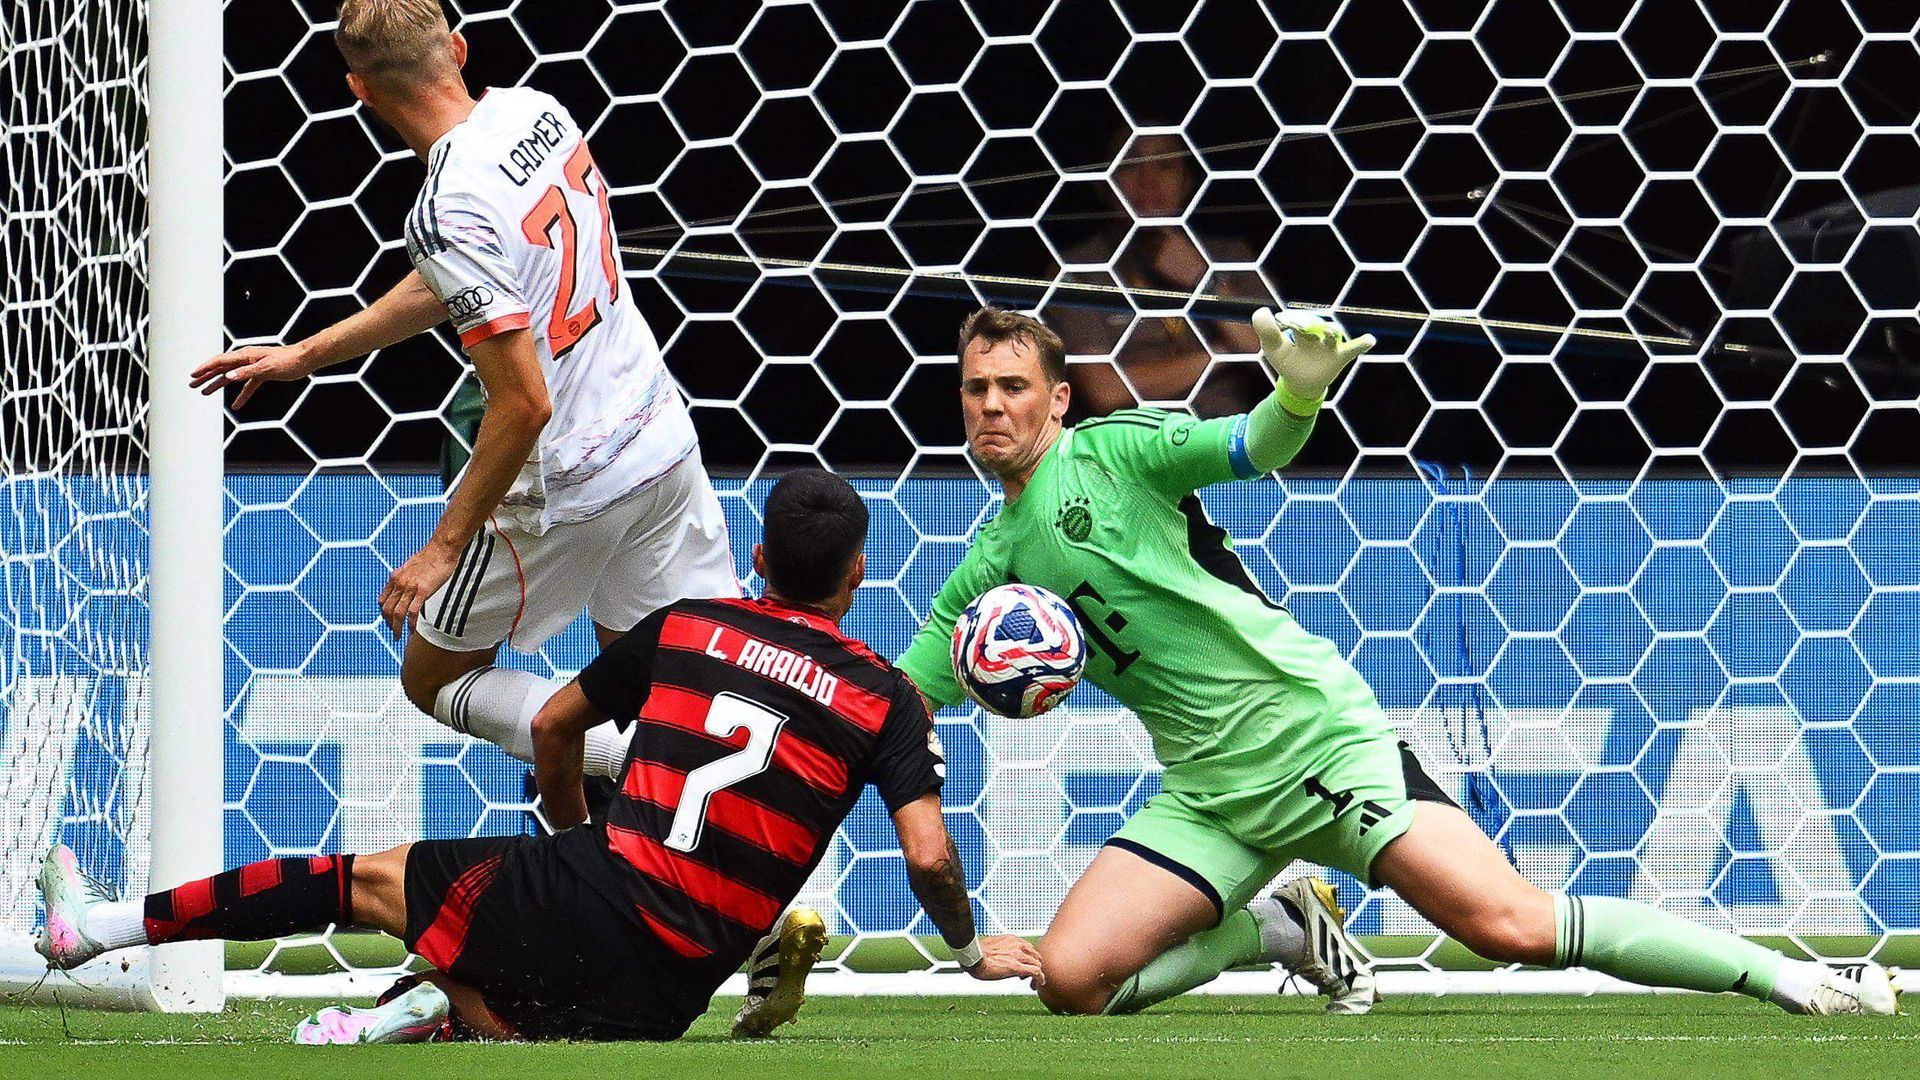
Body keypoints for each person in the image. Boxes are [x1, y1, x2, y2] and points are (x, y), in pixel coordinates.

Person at [894, 306, 1900, 1019]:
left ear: (1058, 398)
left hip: (1318, 743)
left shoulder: (1116, 452)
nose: (992, 406)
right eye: (976, 388)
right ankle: (1282, 929)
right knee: (1072, 982)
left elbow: (1252, 446)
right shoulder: (985, 575)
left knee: (1507, 924)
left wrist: (1297, 392)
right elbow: (894, 703)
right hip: (1208, 794)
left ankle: (1793, 979)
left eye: (1013, 386)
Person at [38, 470, 1043, 1042]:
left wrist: (574, 843)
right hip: (679, 987)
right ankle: (437, 1010)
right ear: (859, 573)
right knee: (528, 1008)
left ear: (761, 561)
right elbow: (927, 857)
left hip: (598, 888)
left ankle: (100, 929)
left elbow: (557, 725)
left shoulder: (691, 626)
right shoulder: (885, 699)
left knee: (364, 883)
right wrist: (969, 951)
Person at [189, 0, 733, 781]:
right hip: (660, 438)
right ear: (459, 48)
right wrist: (307, 354)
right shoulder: (538, 111)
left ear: (358, 89)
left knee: (434, 677)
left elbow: (525, 403)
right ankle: (708, 814)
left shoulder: (446, 207)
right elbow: (458, 277)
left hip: (569, 487)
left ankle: (640, 768)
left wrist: (441, 548)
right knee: (678, 687)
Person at [1049, 131, 1271, 421]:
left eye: (1165, 165)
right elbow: (1107, 391)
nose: (1148, 181)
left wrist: (1203, 279)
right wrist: (1223, 352)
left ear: (1188, 181)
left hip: (1226, 429)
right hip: (1135, 435)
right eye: (1129, 165)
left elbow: (1277, 359)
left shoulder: (1230, 255)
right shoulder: (1079, 268)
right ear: (1102, 183)